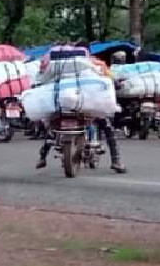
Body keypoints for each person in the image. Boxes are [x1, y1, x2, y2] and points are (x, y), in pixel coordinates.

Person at [34, 43, 127, 173]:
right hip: (84, 105)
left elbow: (41, 81)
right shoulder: (95, 64)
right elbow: (109, 79)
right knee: (107, 127)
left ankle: (42, 157)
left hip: (62, 104)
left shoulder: (55, 66)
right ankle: (116, 160)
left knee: (53, 127)